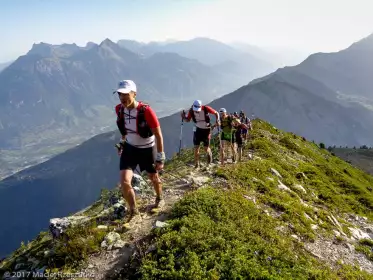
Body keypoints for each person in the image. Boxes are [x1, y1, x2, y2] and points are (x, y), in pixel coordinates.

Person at [115, 80, 166, 224]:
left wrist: (160, 157)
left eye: (126, 94)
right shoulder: (119, 109)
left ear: (134, 93)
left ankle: (159, 198)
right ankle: (134, 212)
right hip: (130, 149)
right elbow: (125, 131)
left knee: (153, 177)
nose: (122, 98)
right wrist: (122, 144)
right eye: (120, 94)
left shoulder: (146, 111)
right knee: (125, 181)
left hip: (147, 149)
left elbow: (158, 135)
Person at [181, 100, 220, 168]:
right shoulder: (191, 110)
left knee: (206, 148)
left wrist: (218, 120)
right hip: (198, 130)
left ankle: (208, 162)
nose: (196, 111)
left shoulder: (206, 108)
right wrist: (183, 117)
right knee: (196, 148)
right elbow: (188, 120)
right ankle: (197, 165)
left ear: (201, 106)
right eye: (195, 109)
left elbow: (216, 113)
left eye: (198, 109)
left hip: (206, 130)